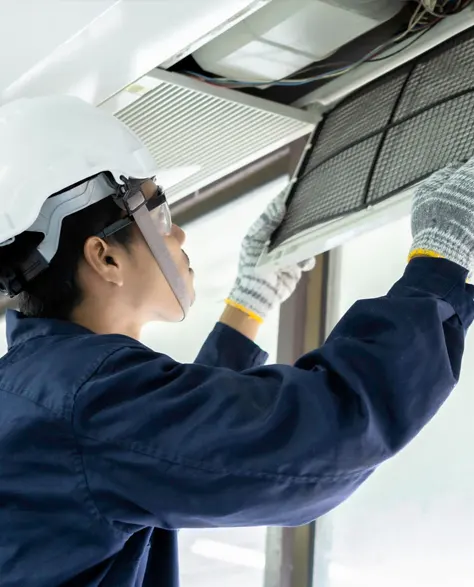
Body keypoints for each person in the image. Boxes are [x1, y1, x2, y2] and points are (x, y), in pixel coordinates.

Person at [0, 95, 472, 587]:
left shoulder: (40, 393)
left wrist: (248, 305)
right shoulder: (84, 402)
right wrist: (437, 264)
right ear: (105, 258)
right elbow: (320, 439)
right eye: (157, 215)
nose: (177, 235)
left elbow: (175, 436)